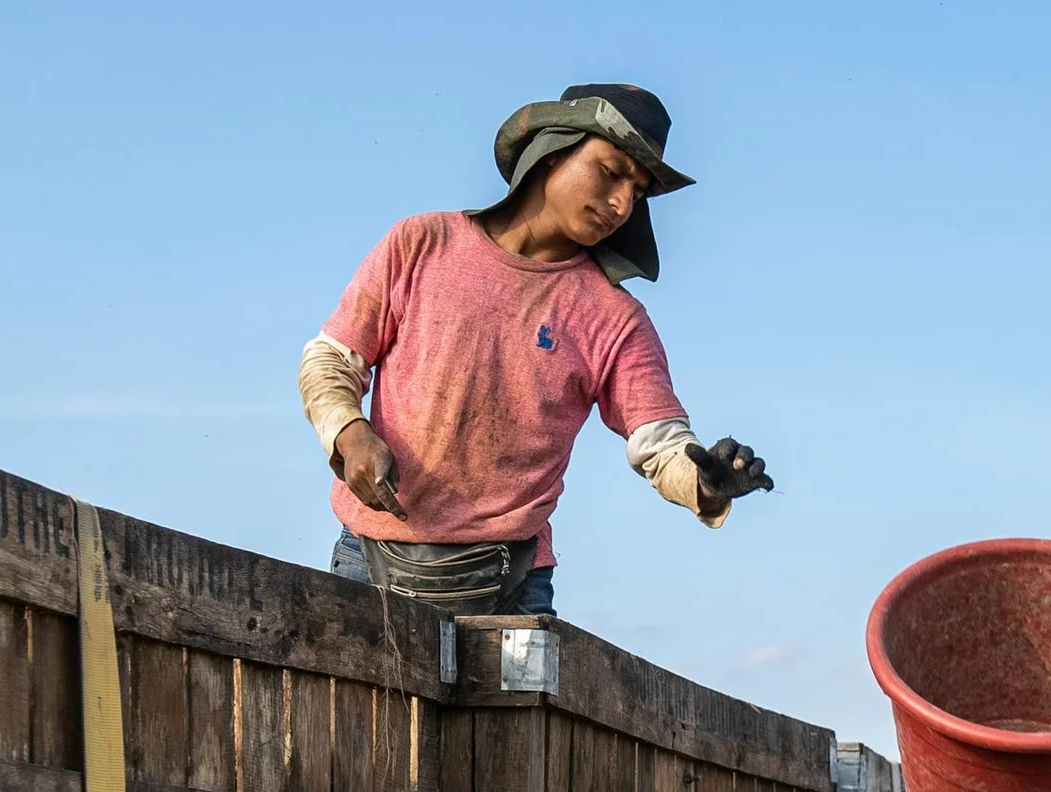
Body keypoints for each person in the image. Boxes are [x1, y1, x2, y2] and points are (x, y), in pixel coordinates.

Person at [297, 84, 774, 614]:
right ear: (552, 151)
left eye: (637, 192)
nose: (622, 204)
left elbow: (660, 443)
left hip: (512, 581)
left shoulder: (615, 318)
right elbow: (331, 359)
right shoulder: (422, 244)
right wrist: (349, 434)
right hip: (369, 558)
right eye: (611, 171)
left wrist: (707, 481)